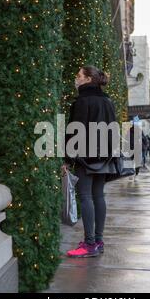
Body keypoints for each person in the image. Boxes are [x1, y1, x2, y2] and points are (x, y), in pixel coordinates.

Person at [62, 66, 117, 258]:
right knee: (98, 196)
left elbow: (74, 132)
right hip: (104, 156)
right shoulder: (108, 101)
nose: (76, 79)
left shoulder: (82, 101)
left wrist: (67, 159)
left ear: (87, 79)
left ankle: (89, 243)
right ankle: (98, 241)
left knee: (85, 196)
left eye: (79, 76)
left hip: (85, 157)